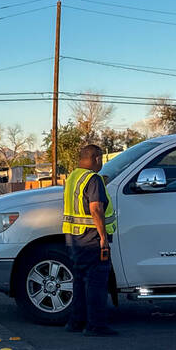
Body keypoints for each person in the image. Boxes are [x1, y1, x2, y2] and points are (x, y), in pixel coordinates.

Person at [62, 144, 118, 336]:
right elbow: (95, 208)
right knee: (97, 283)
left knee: (79, 281)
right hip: (92, 238)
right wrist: (103, 237)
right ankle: (95, 325)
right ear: (96, 158)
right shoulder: (93, 179)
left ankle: (76, 322)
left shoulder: (73, 177)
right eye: (101, 159)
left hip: (74, 238)